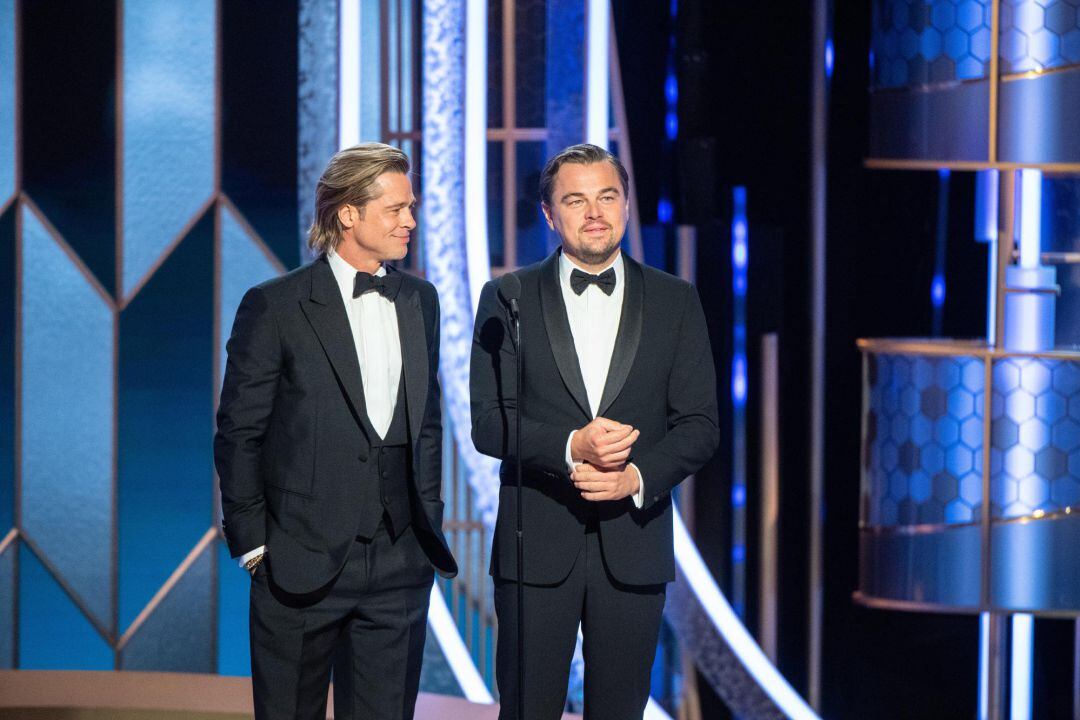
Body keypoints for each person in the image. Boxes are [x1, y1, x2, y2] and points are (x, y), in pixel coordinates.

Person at [470, 143, 719, 719]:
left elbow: (701, 426)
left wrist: (636, 475)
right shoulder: (507, 297)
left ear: (627, 207)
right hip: (535, 548)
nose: (595, 213)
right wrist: (568, 447)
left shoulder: (674, 300)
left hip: (634, 545)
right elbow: (488, 422)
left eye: (607, 196)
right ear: (549, 214)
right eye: (575, 200)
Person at [214, 143, 456, 720]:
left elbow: (425, 425)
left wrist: (427, 522)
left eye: (412, 207)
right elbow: (239, 432)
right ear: (348, 214)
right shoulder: (275, 306)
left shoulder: (419, 300)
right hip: (297, 566)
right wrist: (253, 546)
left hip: (399, 568)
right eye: (396, 209)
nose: (411, 222)